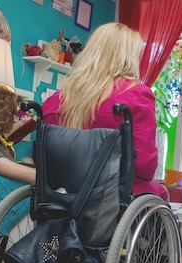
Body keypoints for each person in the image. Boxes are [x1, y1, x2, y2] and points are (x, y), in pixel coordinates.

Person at [41, 22, 168, 200]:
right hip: (111, 193)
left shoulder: (56, 100)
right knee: (161, 195)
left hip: (63, 191)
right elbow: (145, 166)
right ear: (129, 57)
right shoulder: (136, 95)